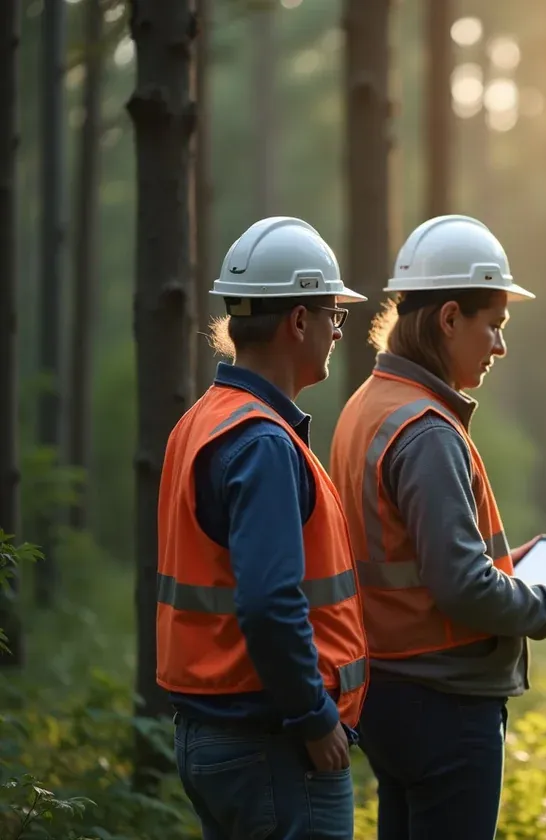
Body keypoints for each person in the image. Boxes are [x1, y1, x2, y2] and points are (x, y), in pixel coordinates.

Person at [329, 214, 546, 839]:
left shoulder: (366, 406)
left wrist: (506, 567)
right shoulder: (427, 430)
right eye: (494, 325)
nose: (500, 346)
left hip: (386, 691)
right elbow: (462, 587)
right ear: (450, 318)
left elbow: (412, 556)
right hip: (444, 706)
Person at [157, 216, 371, 840]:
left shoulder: (202, 421)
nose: (338, 330)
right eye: (334, 314)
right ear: (299, 321)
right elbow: (270, 603)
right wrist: (313, 716)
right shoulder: (263, 443)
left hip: (214, 735)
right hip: (273, 745)